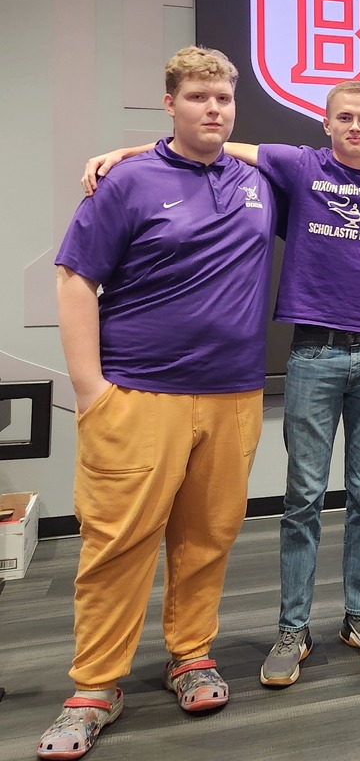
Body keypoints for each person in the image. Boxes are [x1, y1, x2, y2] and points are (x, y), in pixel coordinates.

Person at [80, 80, 360, 687]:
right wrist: (131, 153)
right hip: (313, 356)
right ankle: (292, 628)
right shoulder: (298, 166)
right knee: (302, 501)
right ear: (325, 125)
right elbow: (212, 145)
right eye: (343, 117)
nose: (354, 127)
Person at [39, 47, 277, 760]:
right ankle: (94, 687)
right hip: (140, 393)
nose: (213, 109)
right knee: (118, 543)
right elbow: (76, 279)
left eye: (224, 99)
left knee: (208, 537)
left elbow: (341, 176)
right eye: (199, 97)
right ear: (169, 102)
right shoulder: (129, 181)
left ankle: (191, 653)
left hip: (234, 394)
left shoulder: (260, 182)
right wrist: (91, 391)